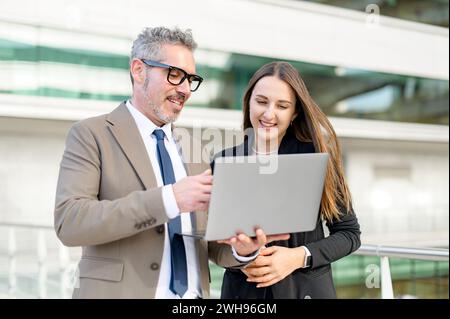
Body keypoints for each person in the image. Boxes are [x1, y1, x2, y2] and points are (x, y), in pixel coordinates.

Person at [54, 27, 286, 299]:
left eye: (191, 79)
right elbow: (70, 223)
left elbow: (210, 244)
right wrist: (170, 199)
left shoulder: (195, 149)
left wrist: (243, 248)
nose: (186, 90)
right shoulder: (92, 134)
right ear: (139, 70)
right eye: (175, 75)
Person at [214, 62, 361, 299]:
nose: (269, 114)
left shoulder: (315, 157)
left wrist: (298, 257)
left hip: (304, 292)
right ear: (248, 103)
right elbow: (215, 243)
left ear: (294, 113)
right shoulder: (223, 162)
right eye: (261, 102)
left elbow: (349, 234)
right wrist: (242, 257)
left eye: (282, 106)